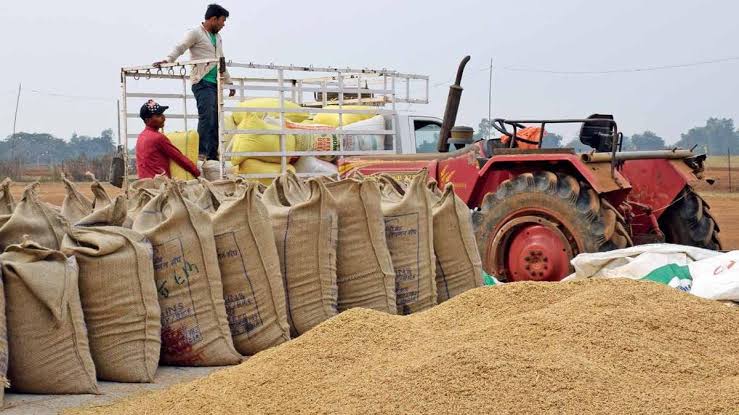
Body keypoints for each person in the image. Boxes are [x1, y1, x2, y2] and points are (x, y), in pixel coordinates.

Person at [154, 3, 236, 161]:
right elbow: (180, 47)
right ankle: (202, 153)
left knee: (216, 120)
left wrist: (229, 81)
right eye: (222, 21)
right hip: (202, 81)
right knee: (207, 117)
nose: (223, 25)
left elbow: (221, 60)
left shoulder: (217, 38)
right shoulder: (195, 33)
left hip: (215, 83)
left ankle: (213, 155)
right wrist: (168, 60)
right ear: (213, 19)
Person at [136, 99, 200, 179]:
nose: (163, 118)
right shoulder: (158, 138)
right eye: (158, 115)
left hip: (144, 182)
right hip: (158, 183)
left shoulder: (141, 136)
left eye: (162, 114)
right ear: (147, 120)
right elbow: (178, 157)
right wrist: (197, 172)